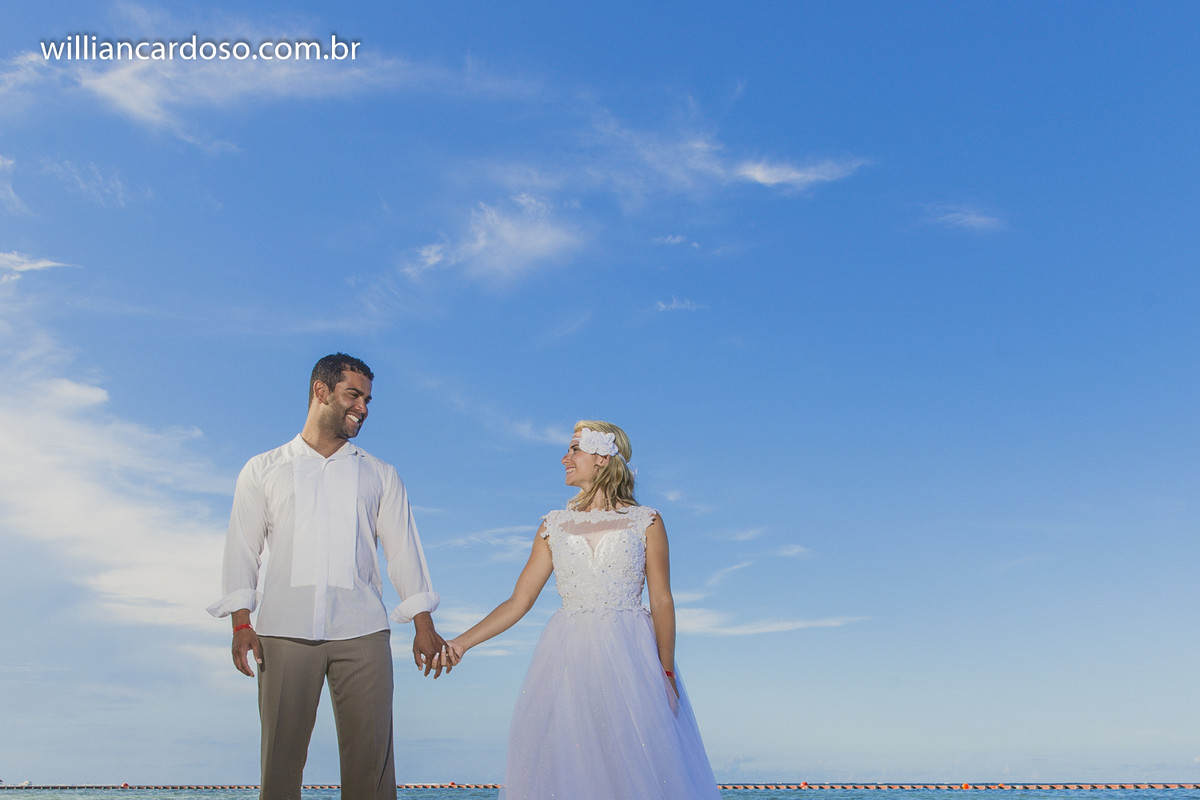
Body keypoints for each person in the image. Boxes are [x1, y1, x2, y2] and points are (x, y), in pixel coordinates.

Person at [207, 353, 449, 800]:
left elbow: (404, 552)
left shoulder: (381, 474)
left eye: (368, 399)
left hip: (363, 634)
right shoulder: (262, 469)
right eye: (353, 395)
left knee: (372, 771)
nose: (364, 408)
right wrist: (241, 622)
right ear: (321, 392)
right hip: (282, 634)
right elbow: (242, 549)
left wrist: (424, 624)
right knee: (279, 768)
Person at [443, 420, 722, 799]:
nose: (564, 458)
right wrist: (460, 644)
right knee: (572, 763)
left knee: (635, 764)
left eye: (574, 449)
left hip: (632, 659)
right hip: (567, 660)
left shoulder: (646, 521)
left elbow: (661, 600)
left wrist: (667, 670)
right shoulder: (553, 525)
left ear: (603, 458)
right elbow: (518, 601)